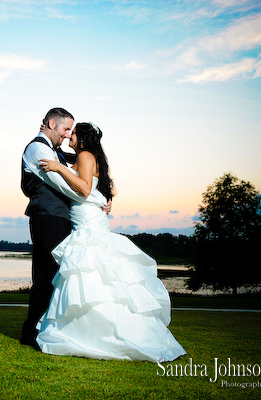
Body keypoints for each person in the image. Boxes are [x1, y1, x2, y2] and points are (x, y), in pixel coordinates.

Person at [36, 122, 186, 362]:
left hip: (87, 220)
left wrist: (57, 167)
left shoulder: (85, 155)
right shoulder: (90, 157)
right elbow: (101, 187)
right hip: (89, 217)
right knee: (96, 273)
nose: (69, 137)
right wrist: (106, 198)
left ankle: (96, 333)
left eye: (73, 133)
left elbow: (84, 189)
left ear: (83, 139)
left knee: (90, 269)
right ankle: (92, 330)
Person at [20, 108, 111, 350]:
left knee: (58, 276)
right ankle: (31, 333)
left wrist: (102, 196)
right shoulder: (38, 149)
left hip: (62, 219)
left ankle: (46, 329)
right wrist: (96, 199)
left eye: (71, 131)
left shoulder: (54, 152)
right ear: (52, 123)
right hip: (47, 218)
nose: (68, 135)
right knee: (46, 276)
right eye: (65, 129)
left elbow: (78, 175)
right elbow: (67, 187)